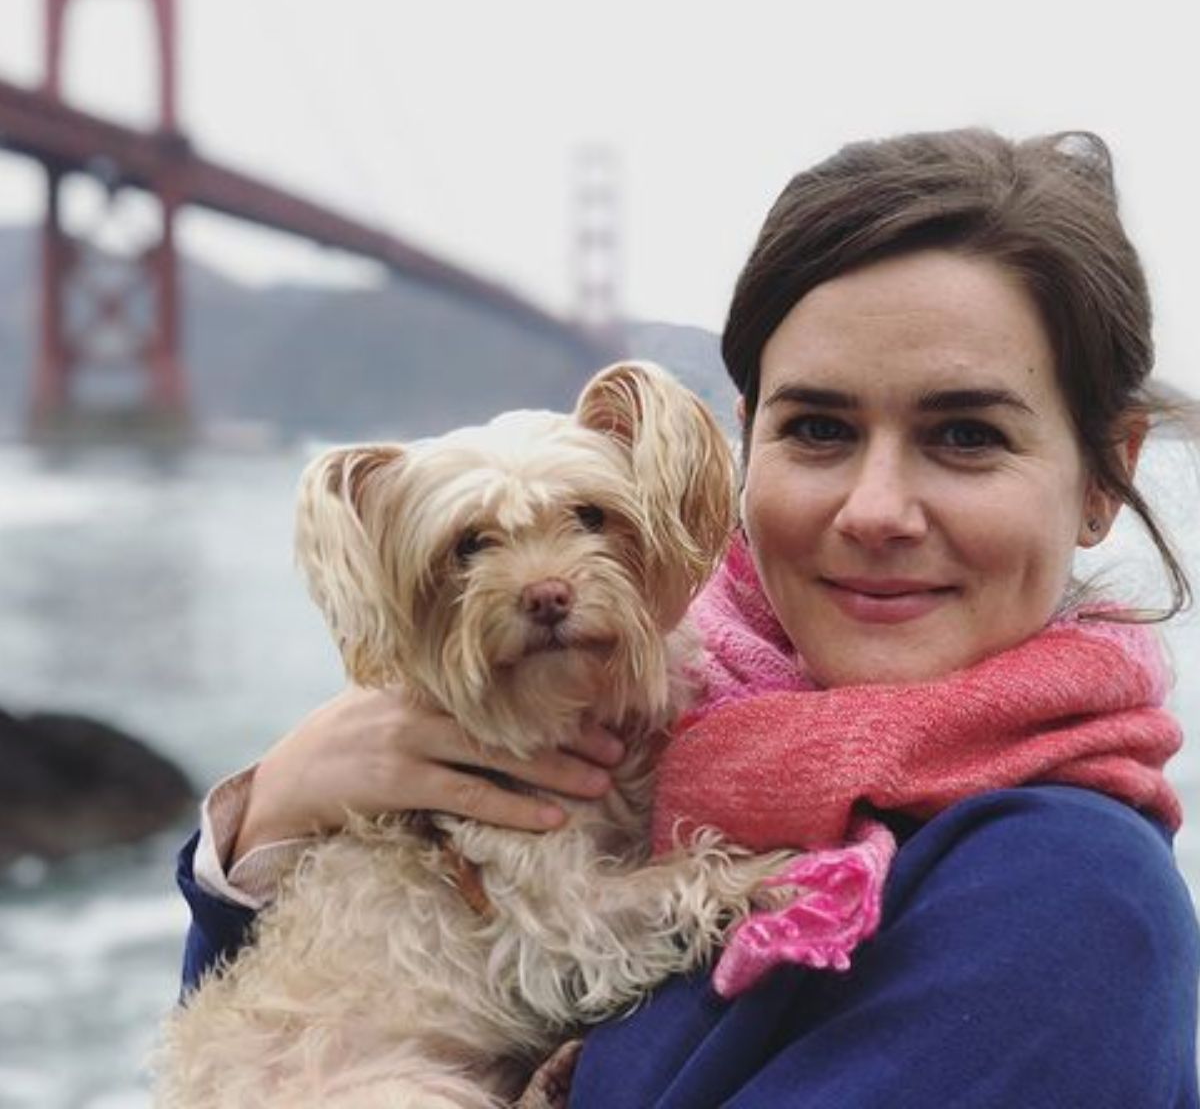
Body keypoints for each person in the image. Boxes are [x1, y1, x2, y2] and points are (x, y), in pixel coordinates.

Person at [175, 127, 1200, 1107]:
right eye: (820, 428)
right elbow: (264, 1046)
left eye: (967, 434)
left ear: (1106, 474)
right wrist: (271, 833)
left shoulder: (1064, 897)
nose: (876, 509)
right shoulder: (660, 730)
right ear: (746, 444)